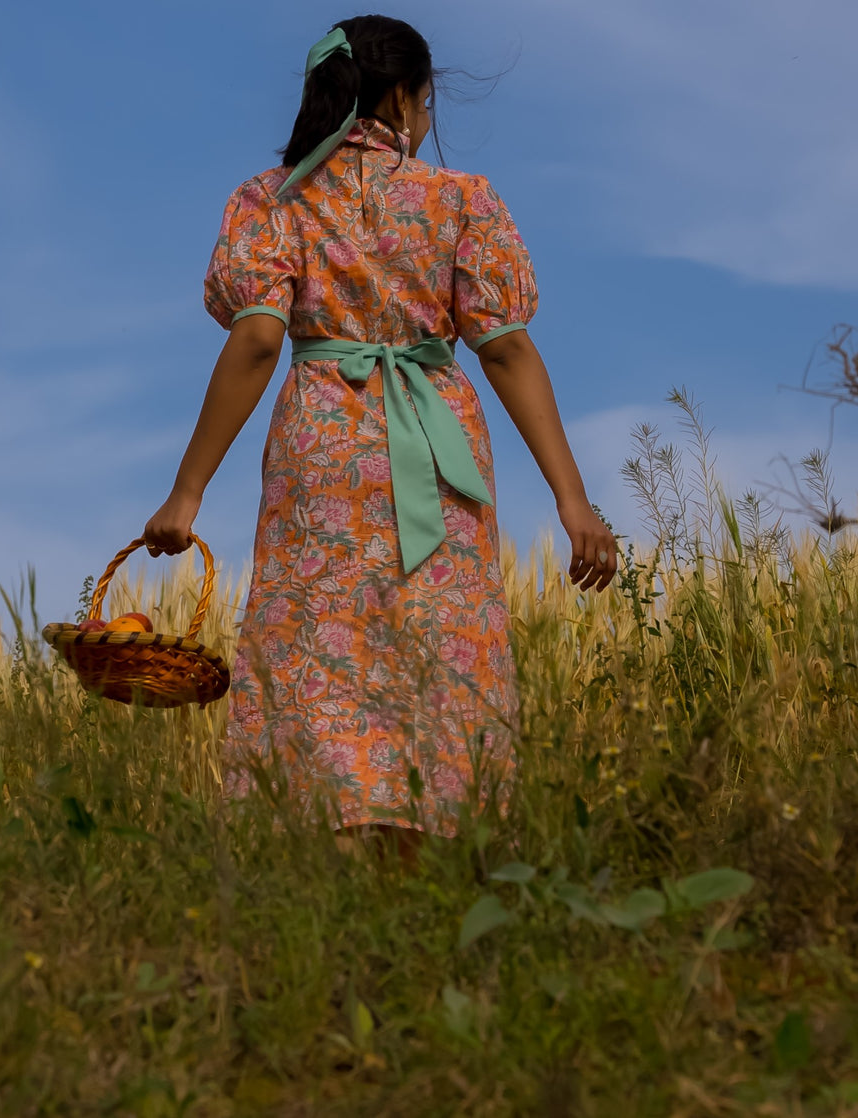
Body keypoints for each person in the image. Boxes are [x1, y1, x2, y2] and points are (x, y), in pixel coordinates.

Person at [143, 14, 617, 860]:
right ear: (402, 98)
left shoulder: (271, 201)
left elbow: (254, 340)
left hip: (320, 449)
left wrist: (187, 492)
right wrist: (572, 502)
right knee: (437, 640)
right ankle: (434, 853)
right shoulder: (461, 201)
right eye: (426, 101)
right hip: (437, 450)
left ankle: (327, 856)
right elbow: (505, 349)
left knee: (318, 647)